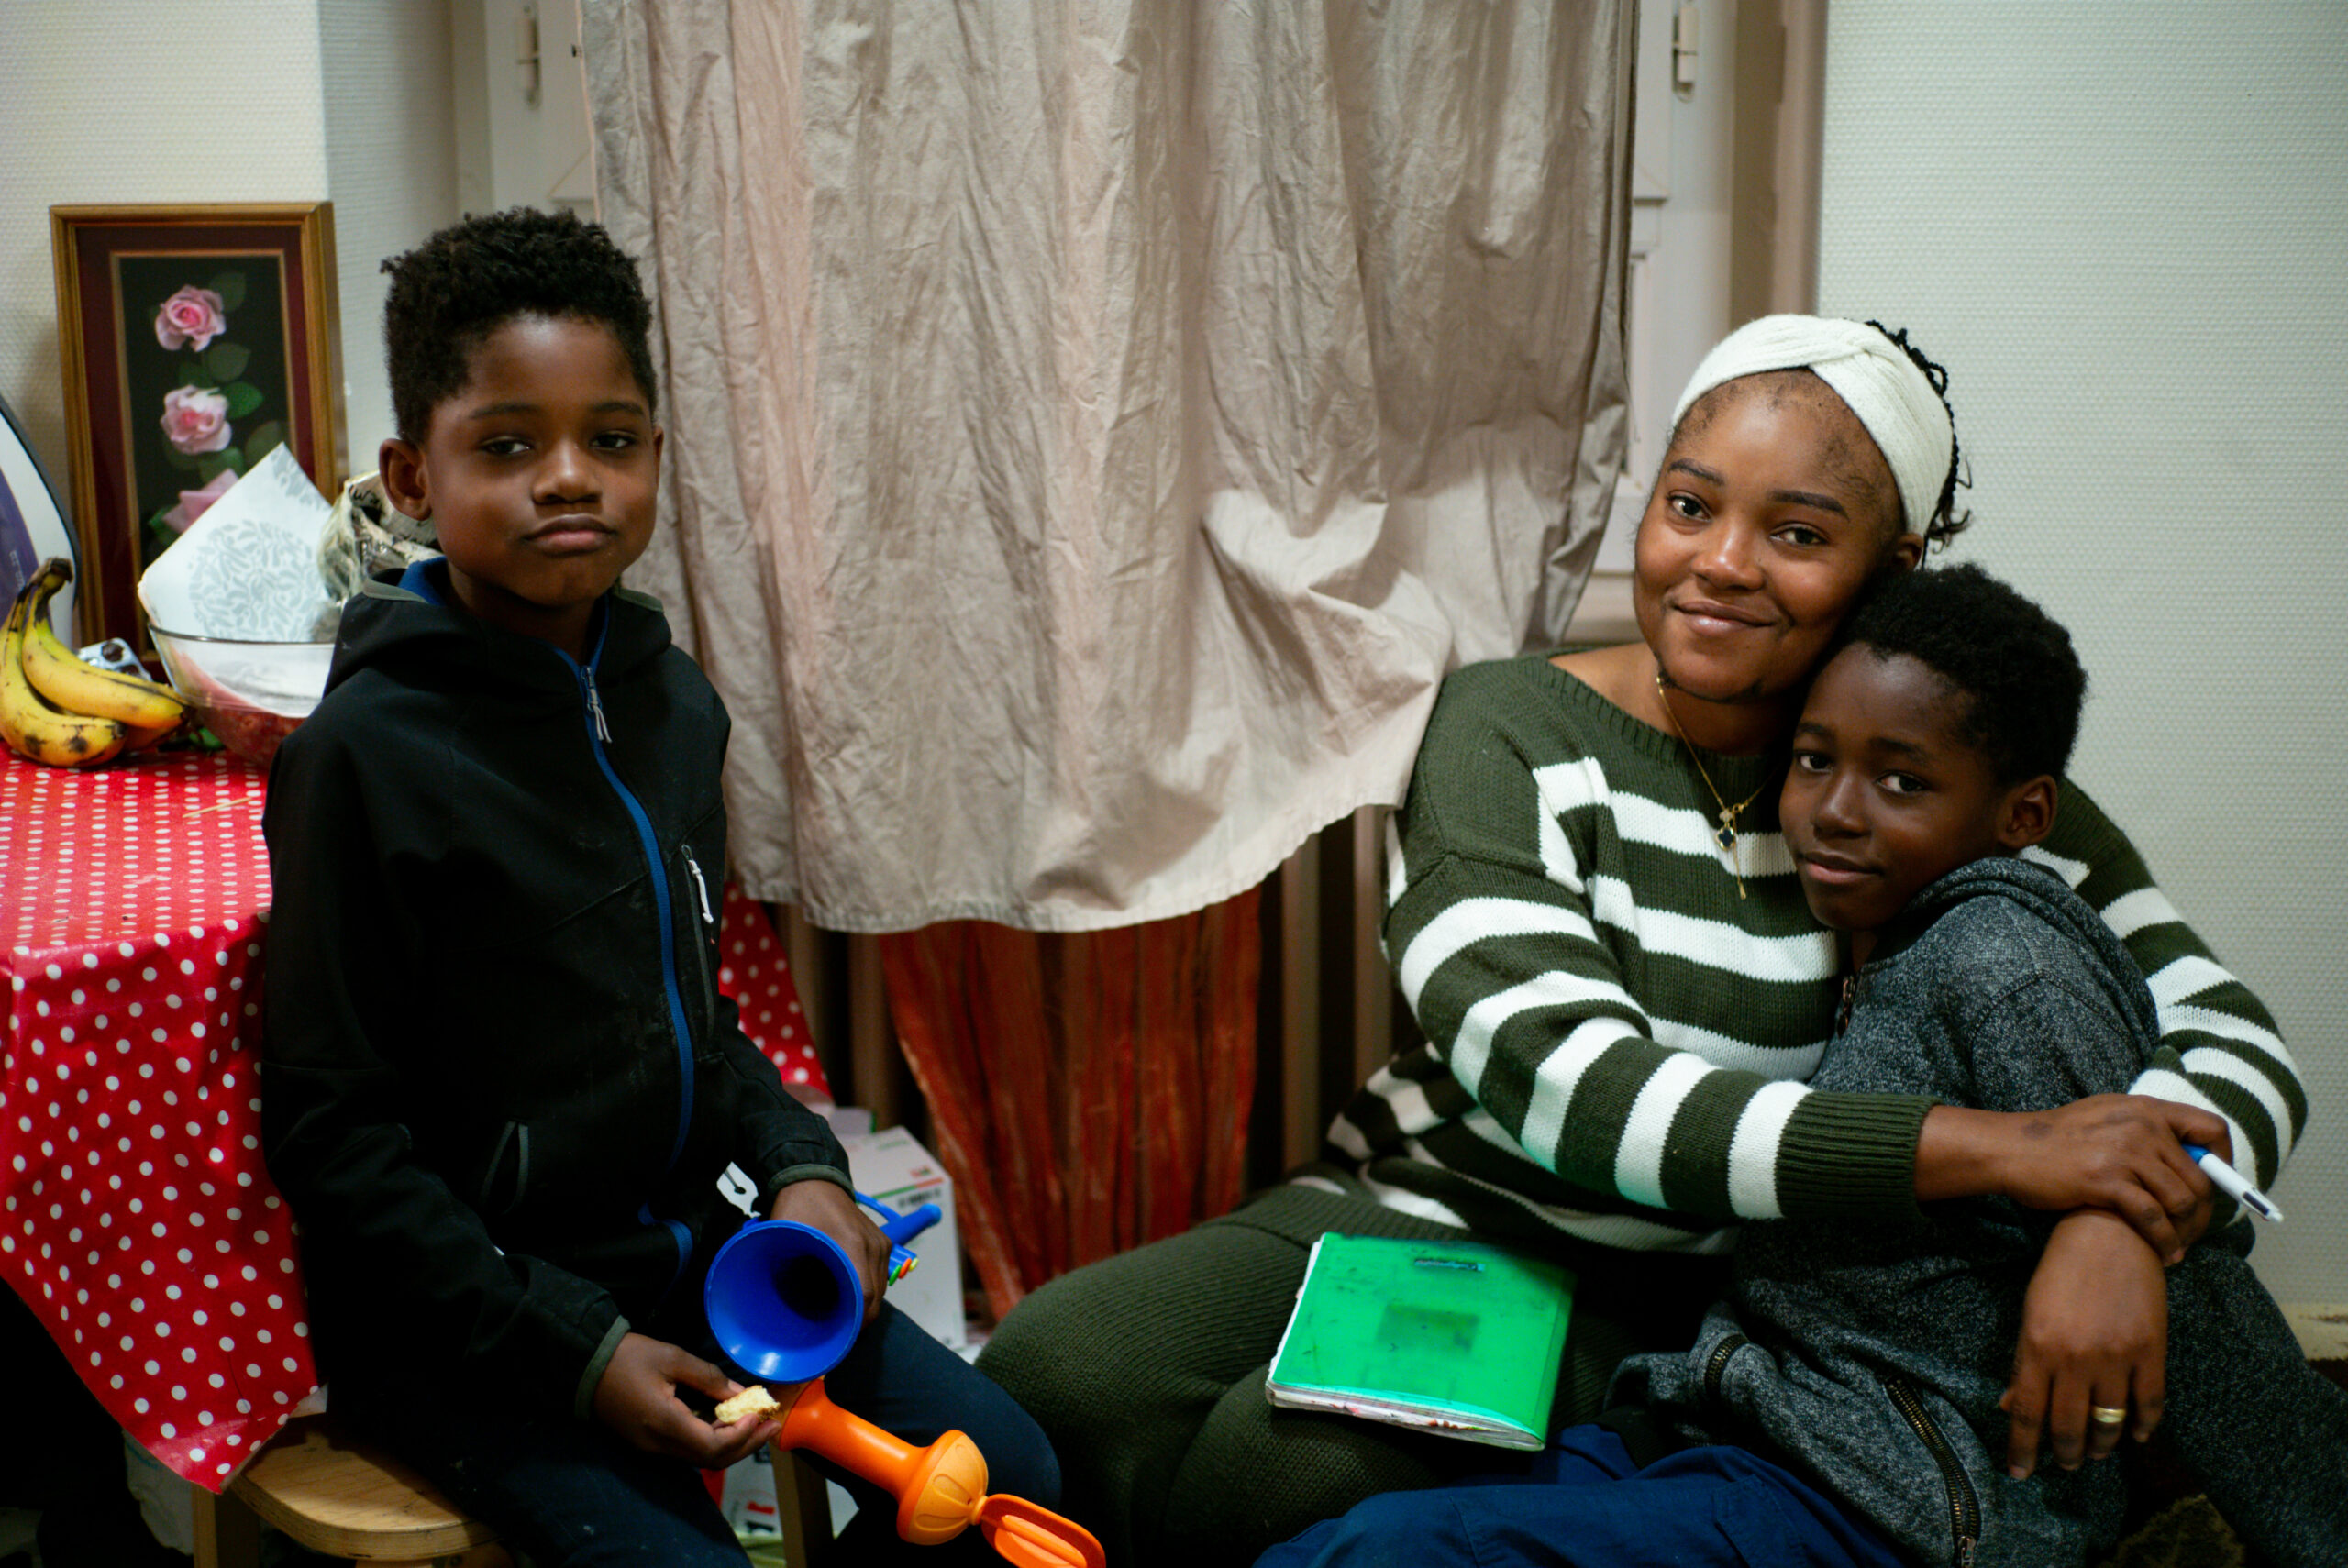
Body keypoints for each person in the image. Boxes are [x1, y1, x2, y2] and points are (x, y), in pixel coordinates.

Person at [977, 315, 2307, 1563]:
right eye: (1689, 504)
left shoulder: (1936, 781)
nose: (1721, 561)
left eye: (1796, 531)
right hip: (1421, 1207)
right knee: (1055, 1365)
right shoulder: (1511, 727)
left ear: (1891, 569)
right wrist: (2018, 1154)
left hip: (1652, 1296)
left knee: (1283, 1476)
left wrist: (2118, 1221)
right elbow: (1565, 1082)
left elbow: (2233, 1036)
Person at [1257, 563, 2347, 1567]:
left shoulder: (2006, 966)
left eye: (1902, 782)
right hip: (1743, 1424)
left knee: (1381, 1557)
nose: (1833, 811)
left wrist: (2317, 1514)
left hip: (1891, 1502)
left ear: (2021, 816)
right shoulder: (1881, 942)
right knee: (1329, 1538)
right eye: (1814, 760)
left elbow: (2192, 1290)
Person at [261, 207, 1057, 1567]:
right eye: (508, 444)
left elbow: (691, 1021)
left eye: (611, 439)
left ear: (654, 459)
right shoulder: (363, 760)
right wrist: (577, 1351)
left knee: (1018, 1477)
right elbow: (337, 1138)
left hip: (700, 1256)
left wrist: (807, 1176)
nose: (568, 478)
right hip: (480, 1324)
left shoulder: (672, 704)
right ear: (410, 474)